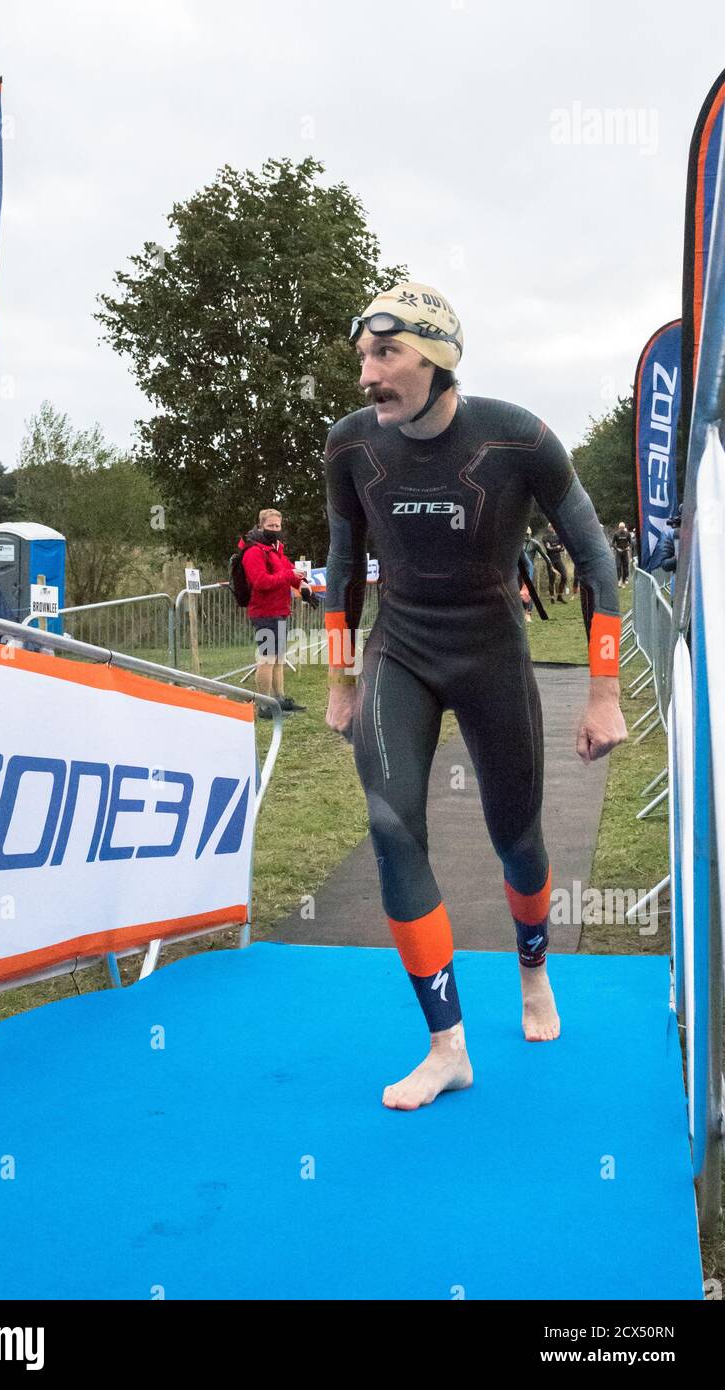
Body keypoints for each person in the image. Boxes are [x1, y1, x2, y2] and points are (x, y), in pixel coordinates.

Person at [323, 280, 626, 1111]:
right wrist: (341, 679)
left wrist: (604, 692)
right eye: (363, 356)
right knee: (391, 826)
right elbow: (342, 567)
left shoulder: (517, 437)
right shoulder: (351, 445)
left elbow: (596, 562)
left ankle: (533, 969)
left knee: (516, 839)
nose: (367, 375)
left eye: (387, 354)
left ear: (437, 360)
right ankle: (446, 1046)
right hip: (401, 652)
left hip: (492, 654)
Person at [238, 508, 312, 718]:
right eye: (270, 525)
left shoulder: (275, 550)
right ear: (261, 525)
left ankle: (279, 699)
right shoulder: (254, 552)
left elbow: (290, 572)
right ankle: (264, 706)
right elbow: (261, 581)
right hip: (264, 613)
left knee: (278, 658)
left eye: (277, 526)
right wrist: (289, 575)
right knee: (267, 659)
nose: (275, 529)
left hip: (279, 610)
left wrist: (303, 584)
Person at [543, 525, 569, 600]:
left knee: (564, 576)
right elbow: (548, 549)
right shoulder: (545, 538)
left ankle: (559, 596)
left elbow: (562, 548)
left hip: (558, 560)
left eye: (553, 526)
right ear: (548, 528)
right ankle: (552, 597)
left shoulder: (559, 537)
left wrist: (555, 548)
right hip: (550, 560)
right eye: (551, 526)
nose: (553, 528)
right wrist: (557, 547)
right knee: (552, 578)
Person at [611, 521, 633, 586]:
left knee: (625, 566)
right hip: (618, 552)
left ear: (624, 527)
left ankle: (625, 579)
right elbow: (612, 543)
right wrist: (617, 548)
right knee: (618, 566)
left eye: (623, 528)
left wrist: (628, 547)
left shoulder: (627, 534)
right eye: (621, 528)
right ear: (619, 528)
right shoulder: (616, 534)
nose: (622, 529)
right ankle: (619, 580)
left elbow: (631, 542)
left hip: (625, 552)